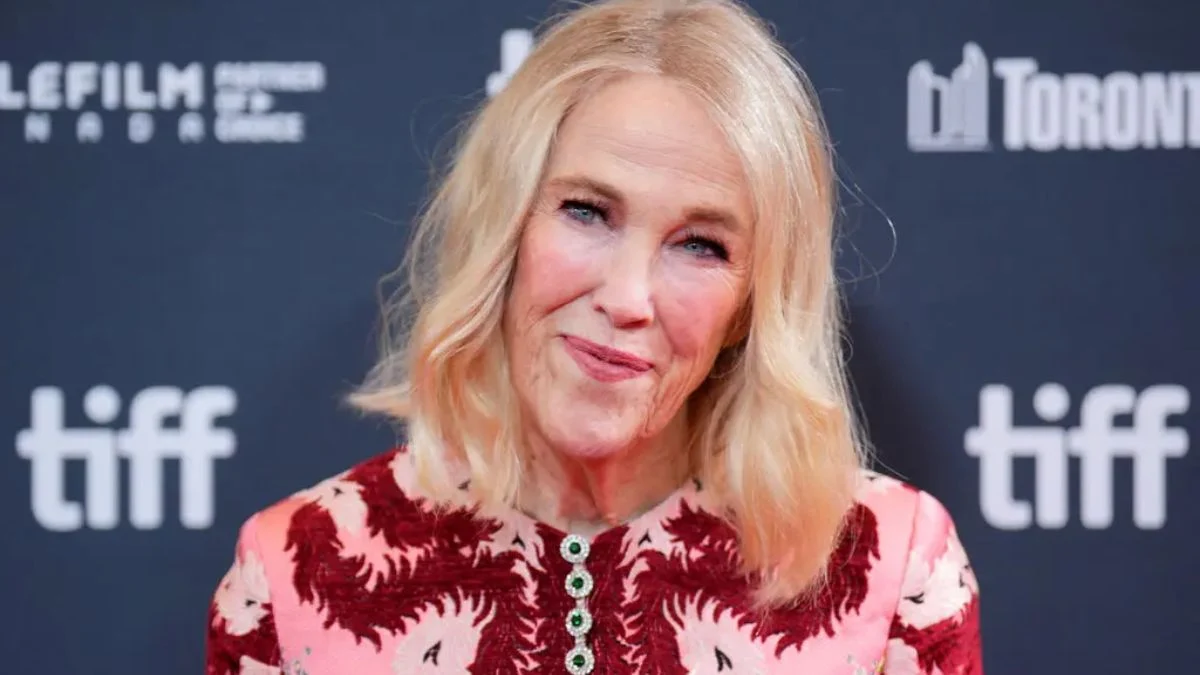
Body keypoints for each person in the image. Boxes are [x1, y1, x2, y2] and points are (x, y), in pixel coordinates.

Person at [205, 0, 983, 672]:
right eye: (587, 211)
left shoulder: (893, 566)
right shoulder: (293, 571)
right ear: (506, 226)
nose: (626, 297)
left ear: (752, 304)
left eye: (701, 245)